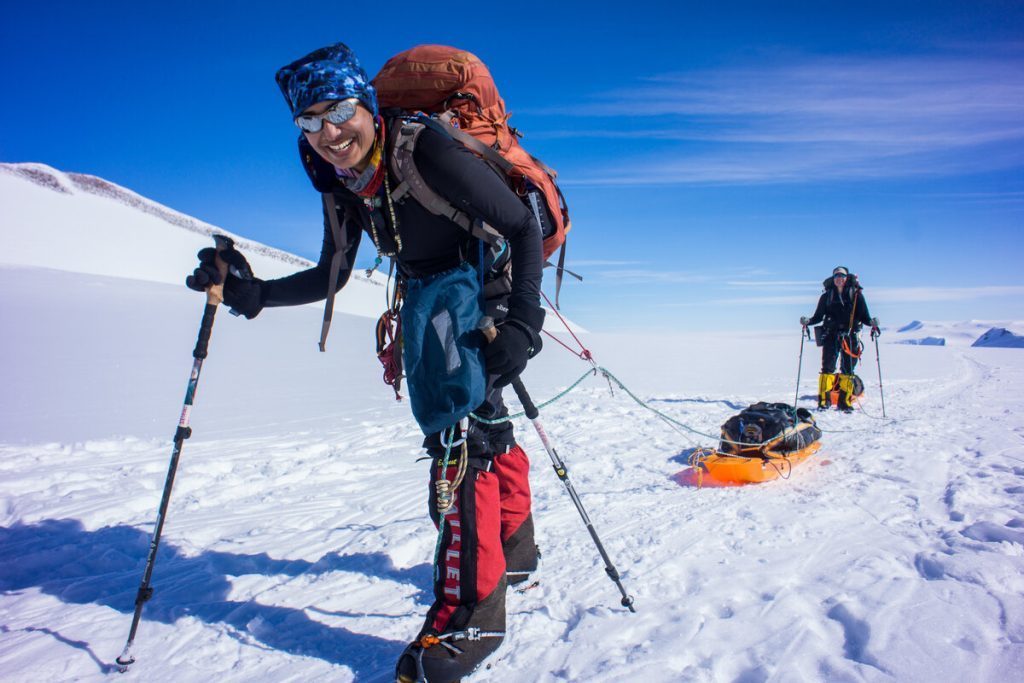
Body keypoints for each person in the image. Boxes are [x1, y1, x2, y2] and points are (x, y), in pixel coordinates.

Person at [186, 43, 546, 682]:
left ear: (367, 105)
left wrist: (522, 325)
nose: (328, 133)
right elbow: (336, 269)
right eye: (309, 120)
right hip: (427, 294)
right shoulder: (337, 174)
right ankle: (515, 546)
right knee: (479, 423)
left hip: (485, 284)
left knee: (458, 437)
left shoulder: (423, 147)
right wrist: (259, 295)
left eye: (339, 111)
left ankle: (474, 614)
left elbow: (520, 226)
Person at [800, 266, 879, 412]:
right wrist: (808, 321)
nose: (839, 279)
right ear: (833, 278)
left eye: (842, 276)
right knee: (827, 369)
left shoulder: (856, 296)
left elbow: (864, 317)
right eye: (836, 276)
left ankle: (845, 402)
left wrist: (872, 322)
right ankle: (824, 401)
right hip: (831, 335)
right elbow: (818, 316)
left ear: (846, 278)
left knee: (847, 370)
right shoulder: (827, 296)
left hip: (851, 336)